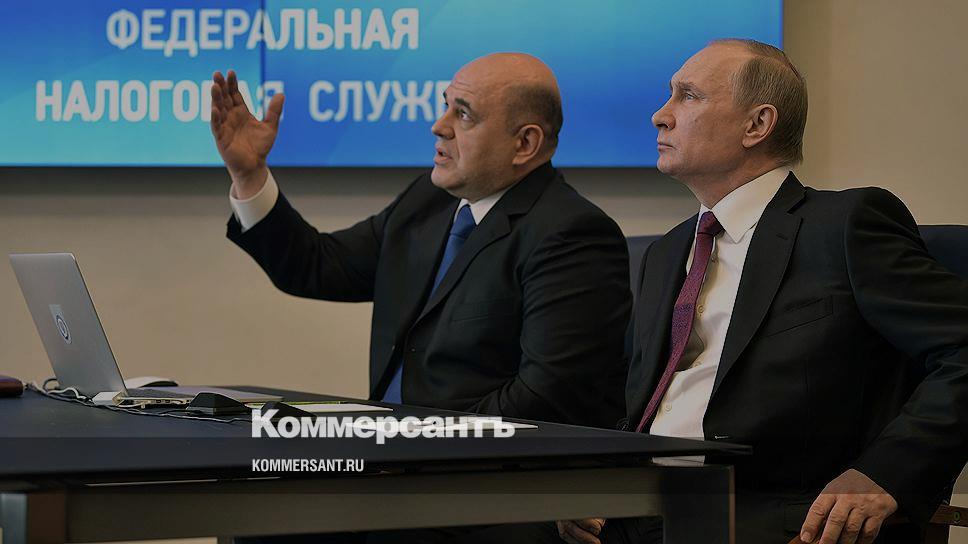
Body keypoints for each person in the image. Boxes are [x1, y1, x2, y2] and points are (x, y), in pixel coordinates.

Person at [558, 39, 968, 544]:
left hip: (770, 517)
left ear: (757, 125)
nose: (659, 116)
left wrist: (885, 474)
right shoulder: (667, 252)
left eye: (688, 96)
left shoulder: (844, 225)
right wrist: (596, 476)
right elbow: (636, 401)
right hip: (638, 511)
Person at [208, 52, 631, 429]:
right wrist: (249, 175)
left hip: (475, 475)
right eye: (446, 105)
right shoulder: (429, 201)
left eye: (463, 114)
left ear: (524, 143)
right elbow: (316, 266)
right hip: (393, 456)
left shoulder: (572, 235)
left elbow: (544, 398)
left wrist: (418, 440)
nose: (439, 126)